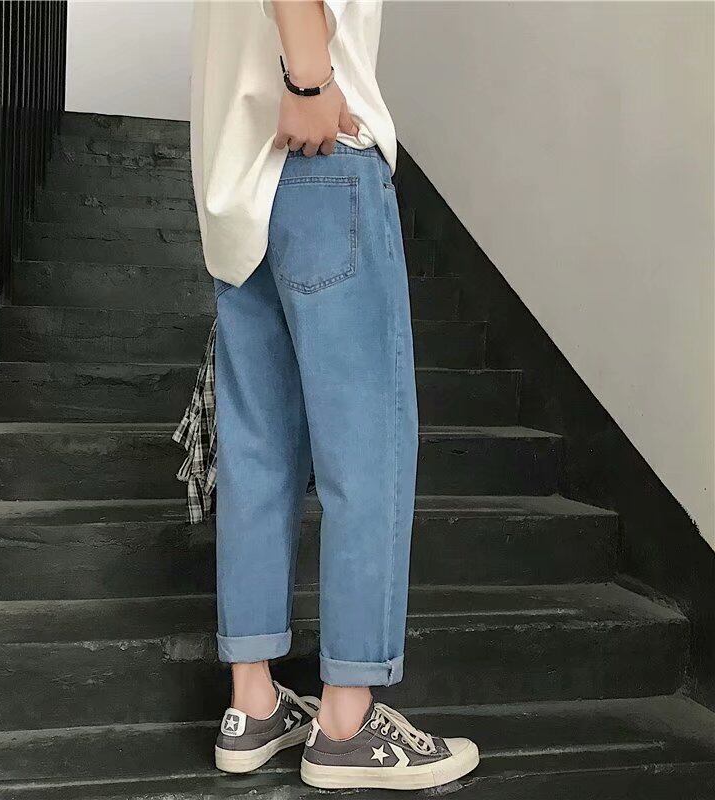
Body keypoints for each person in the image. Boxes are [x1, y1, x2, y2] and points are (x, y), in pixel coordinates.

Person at [190, 0, 480, 790]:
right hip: (320, 155)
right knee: (366, 450)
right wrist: (311, 81)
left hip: (235, 186)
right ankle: (346, 723)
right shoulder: (310, 95)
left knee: (258, 453)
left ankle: (253, 704)